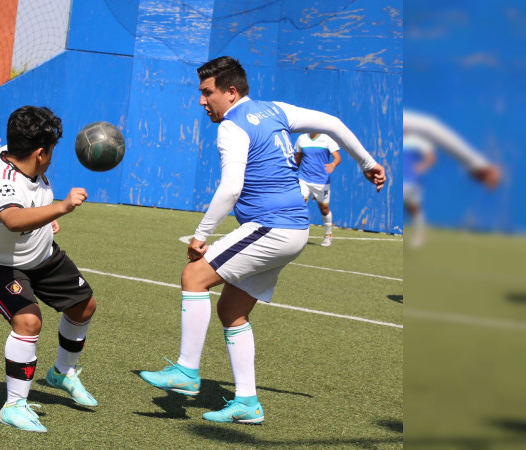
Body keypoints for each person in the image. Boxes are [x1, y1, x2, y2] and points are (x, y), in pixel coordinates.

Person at [139, 56, 386, 424]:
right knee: (232, 311)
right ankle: (248, 402)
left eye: (208, 93)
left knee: (194, 277)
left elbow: (230, 188)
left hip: (272, 227)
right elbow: (333, 123)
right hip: (294, 229)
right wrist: (368, 163)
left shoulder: (231, 127)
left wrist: (201, 235)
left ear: (231, 92)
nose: (202, 102)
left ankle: (187, 371)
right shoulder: (275, 110)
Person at [0, 106, 95, 433]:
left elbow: (28, 204)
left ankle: (62, 372)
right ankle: (14, 405)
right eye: (50, 151)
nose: (52, 158)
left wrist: (45, 219)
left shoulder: (13, 154)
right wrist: (60, 208)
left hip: (39, 252)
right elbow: (12, 219)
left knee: (84, 306)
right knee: (28, 319)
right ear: (39, 153)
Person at [402, 110, 500, 247]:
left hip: (410, 179)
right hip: (401, 177)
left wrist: (478, 164)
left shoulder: (415, 139)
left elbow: (429, 131)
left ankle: (419, 235)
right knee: (409, 206)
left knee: (412, 206)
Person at [294, 132, 341, 247]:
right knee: (300, 205)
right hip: (303, 179)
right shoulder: (302, 138)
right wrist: (293, 171)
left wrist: (333, 164)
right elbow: (298, 158)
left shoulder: (327, 139)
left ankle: (328, 235)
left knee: (324, 209)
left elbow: (337, 157)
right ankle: (297, 236)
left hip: (321, 181)